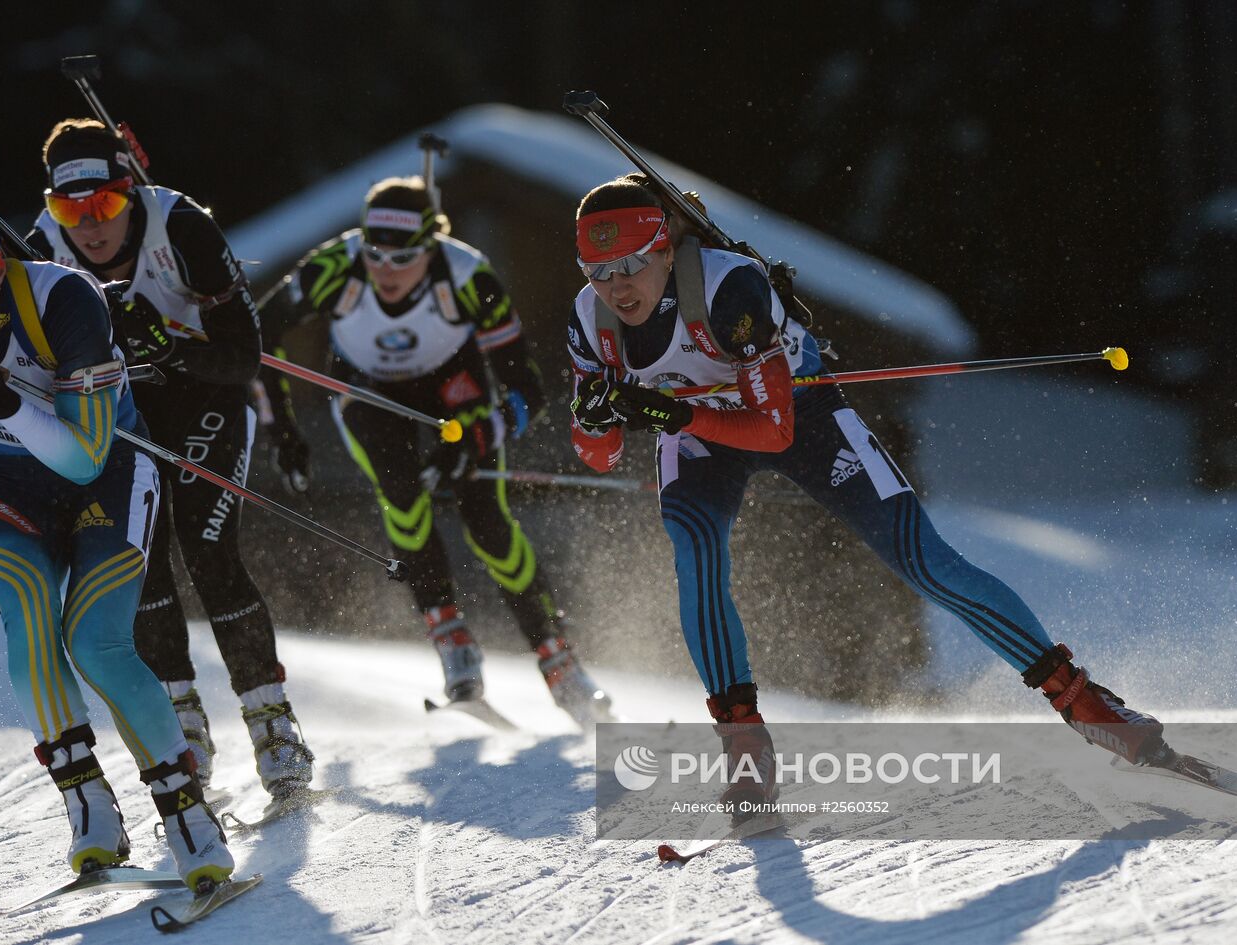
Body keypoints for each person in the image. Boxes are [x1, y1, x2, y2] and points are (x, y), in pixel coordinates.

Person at [565, 174, 1171, 809]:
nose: (617, 285)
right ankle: (745, 746)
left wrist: (669, 415)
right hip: (699, 437)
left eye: (632, 263)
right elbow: (599, 458)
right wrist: (594, 415)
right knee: (695, 556)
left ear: (666, 247)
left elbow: (773, 432)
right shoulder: (592, 318)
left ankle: (1085, 704)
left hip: (800, 419)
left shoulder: (728, 287)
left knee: (925, 562)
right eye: (597, 268)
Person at [0, 190, 235, 887]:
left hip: (104, 473)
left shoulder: (63, 300)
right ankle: (86, 800)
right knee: (25, 613)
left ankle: (186, 809)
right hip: (4, 482)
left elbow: (84, 454)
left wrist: (3, 399)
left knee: (96, 642)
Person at [25, 119, 313, 799]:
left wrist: (171, 346)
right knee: (139, 562)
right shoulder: (40, 248)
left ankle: (273, 723)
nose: (89, 226)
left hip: (208, 398)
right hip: (121, 417)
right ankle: (184, 727)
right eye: (72, 209)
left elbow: (246, 354)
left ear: (130, 192)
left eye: (104, 205)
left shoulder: (180, 225)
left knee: (211, 553)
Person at [256, 176, 611, 725]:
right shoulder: (333, 267)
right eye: (375, 254)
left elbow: (527, 391)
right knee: (403, 498)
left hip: (453, 387)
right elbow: (258, 336)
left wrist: (476, 437)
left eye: (405, 257)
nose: (386, 270)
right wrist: (282, 429)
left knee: (487, 520)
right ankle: (451, 638)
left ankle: (558, 661)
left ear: (432, 245)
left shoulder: (469, 276)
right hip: (367, 390)